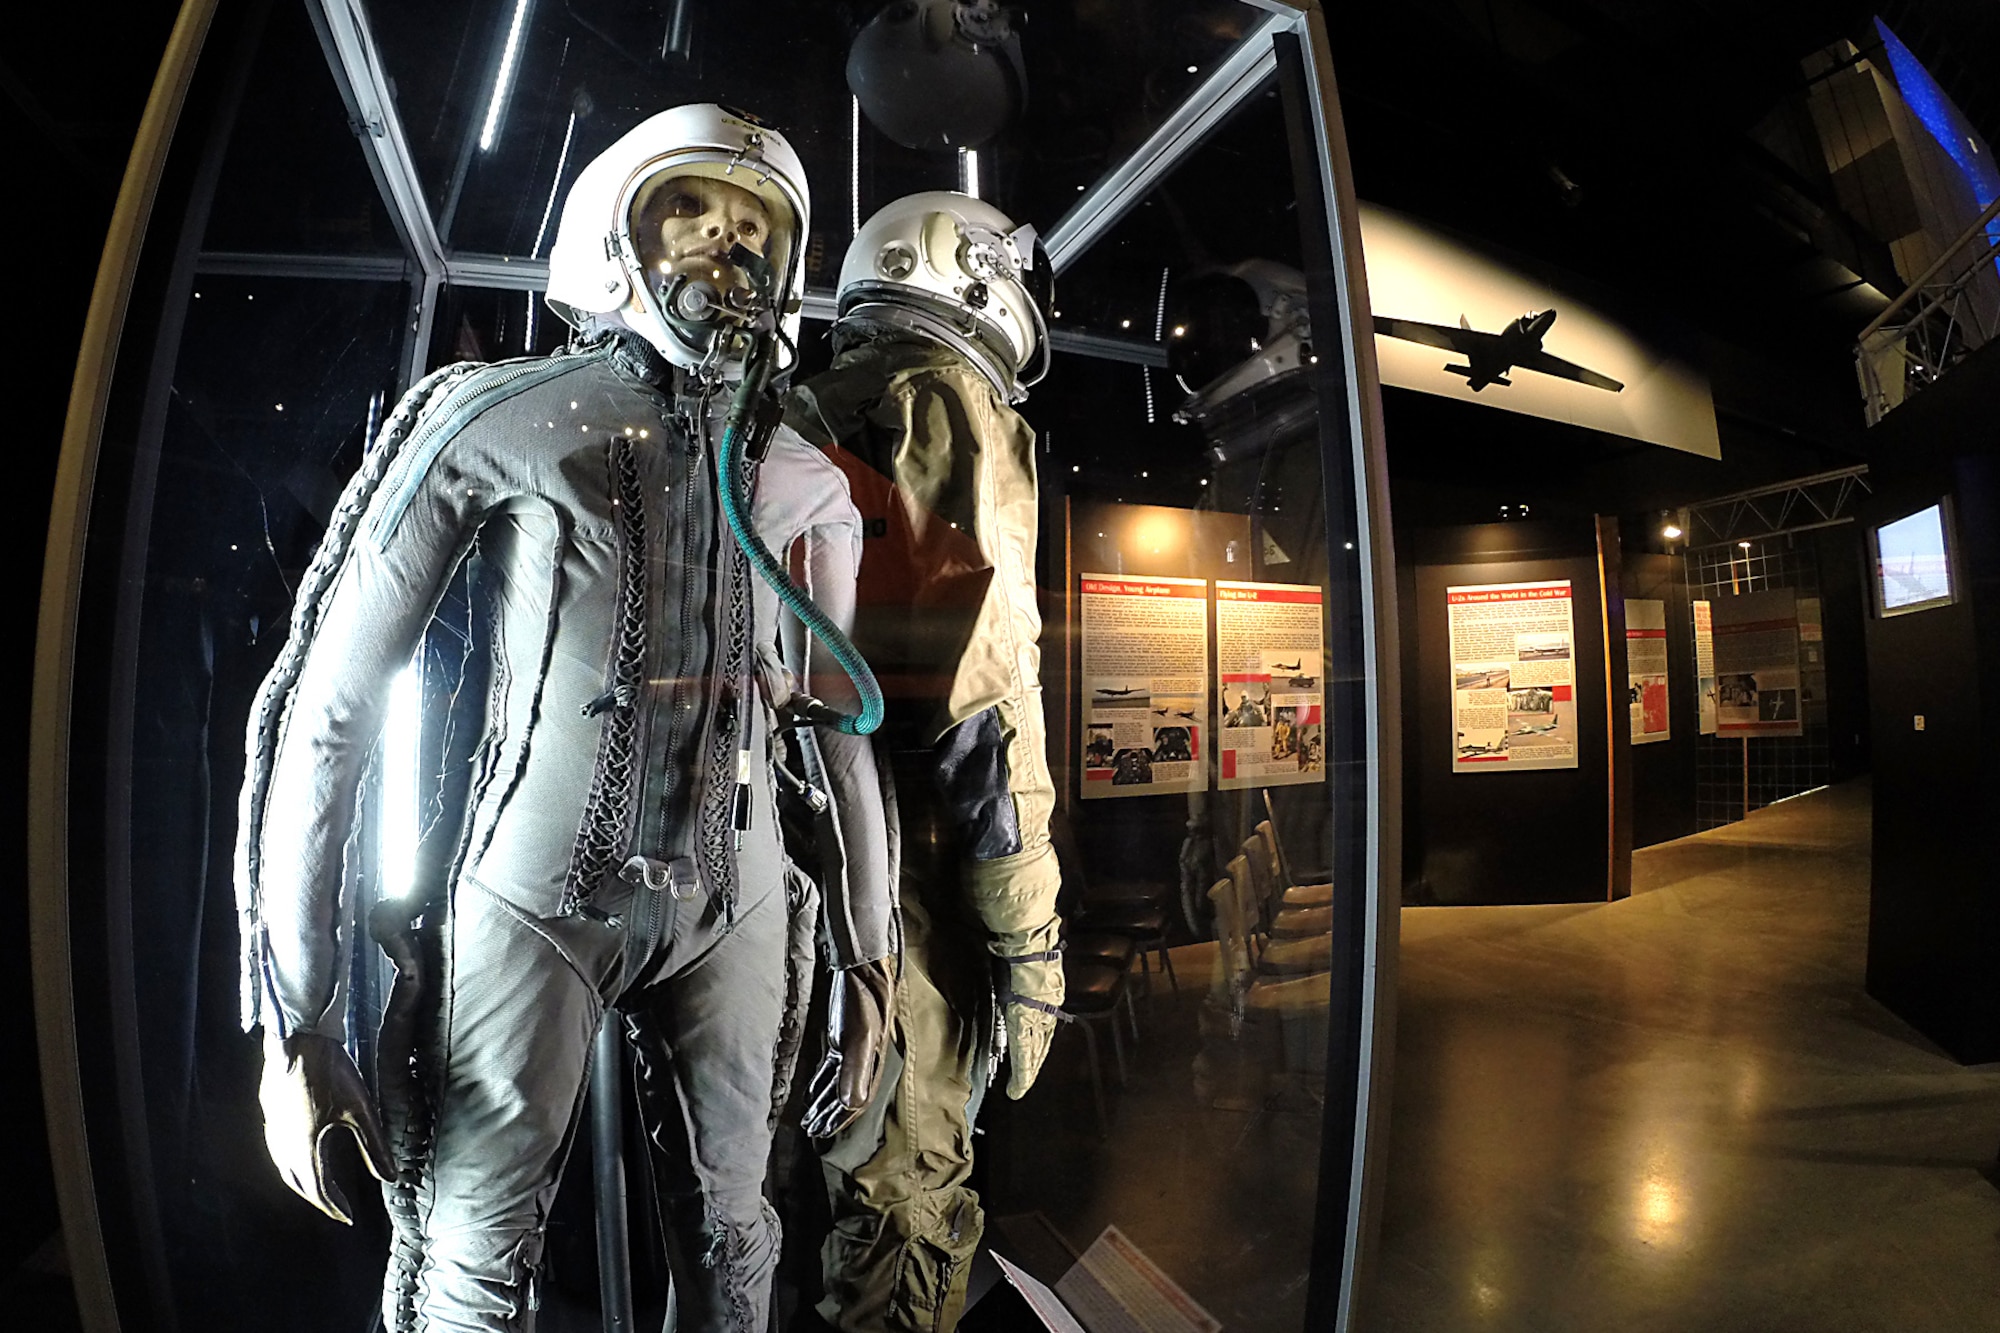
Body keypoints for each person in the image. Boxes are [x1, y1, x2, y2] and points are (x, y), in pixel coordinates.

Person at [236, 104, 895, 1333]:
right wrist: (296, 1011)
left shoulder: (799, 473)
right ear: (615, 228)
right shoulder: (500, 413)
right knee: (469, 1270)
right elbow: (326, 704)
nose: (726, 246)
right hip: (533, 897)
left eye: (755, 226)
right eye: (690, 211)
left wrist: (871, 961)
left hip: (737, 901)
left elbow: (836, 729)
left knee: (738, 1246)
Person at [783, 191, 1059, 1333]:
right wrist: (1026, 942)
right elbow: (981, 703)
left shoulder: (802, 407)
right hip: (886, 868)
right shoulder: (939, 400)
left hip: (783, 853)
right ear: (971, 274)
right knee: (903, 1194)